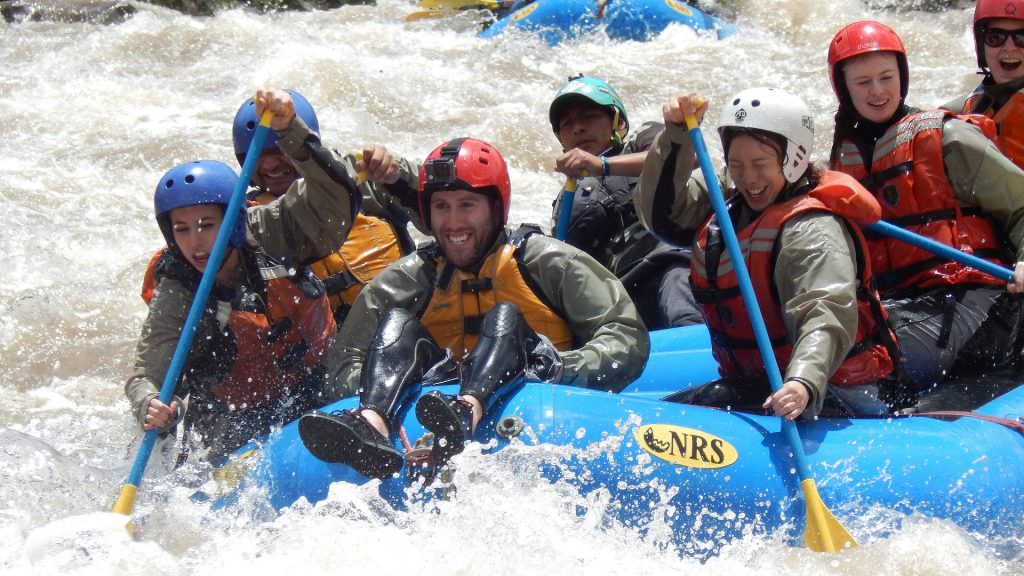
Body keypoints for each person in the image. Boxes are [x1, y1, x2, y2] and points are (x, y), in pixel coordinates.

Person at [298, 137, 650, 479]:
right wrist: (422, 384)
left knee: (505, 319)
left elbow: (625, 336)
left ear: (495, 209)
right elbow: (342, 369)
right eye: (441, 207)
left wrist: (558, 366)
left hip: (541, 403)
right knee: (397, 326)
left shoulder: (548, 262)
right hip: (434, 405)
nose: (453, 223)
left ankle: (470, 407)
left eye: (467, 205)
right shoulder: (404, 282)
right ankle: (373, 423)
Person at [125, 89, 361, 462]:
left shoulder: (266, 230)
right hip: (234, 417)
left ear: (232, 222)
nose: (196, 243)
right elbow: (145, 374)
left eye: (206, 225)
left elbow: (333, 203)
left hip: (316, 384)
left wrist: (292, 131)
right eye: (182, 229)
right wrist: (148, 404)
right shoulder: (178, 285)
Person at [636, 87, 899, 420]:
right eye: (737, 165)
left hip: (839, 391)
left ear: (793, 158)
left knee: (695, 407)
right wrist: (676, 134)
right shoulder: (730, 200)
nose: (749, 178)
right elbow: (665, 217)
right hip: (762, 382)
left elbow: (825, 311)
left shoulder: (811, 229)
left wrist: (803, 381)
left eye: (760, 164)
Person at [827, 20, 1024, 404]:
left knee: (851, 358)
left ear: (902, 76)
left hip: (974, 302)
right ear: (844, 89)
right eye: (863, 82)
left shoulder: (947, 138)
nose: (878, 91)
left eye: (887, 77)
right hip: (902, 302)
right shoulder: (840, 161)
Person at [231, 90, 424, 324]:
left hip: (404, 325)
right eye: (260, 155)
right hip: (330, 347)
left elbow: (441, 206)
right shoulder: (248, 221)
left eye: (280, 151)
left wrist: (398, 175)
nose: (271, 164)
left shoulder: (362, 177)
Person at [549, 74, 702, 329]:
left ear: (617, 122)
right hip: (615, 295)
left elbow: (690, 156)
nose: (578, 128)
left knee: (674, 274)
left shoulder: (642, 141)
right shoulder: (566, 199)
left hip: (667, 263)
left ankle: (692, 338)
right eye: (567, 124)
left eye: (589, 116)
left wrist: (604, 166)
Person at [942, 0, 1024, 170]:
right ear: (981, 46)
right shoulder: (966, 108)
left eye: (1021, 38)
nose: (1009, 48)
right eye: (996, 37)